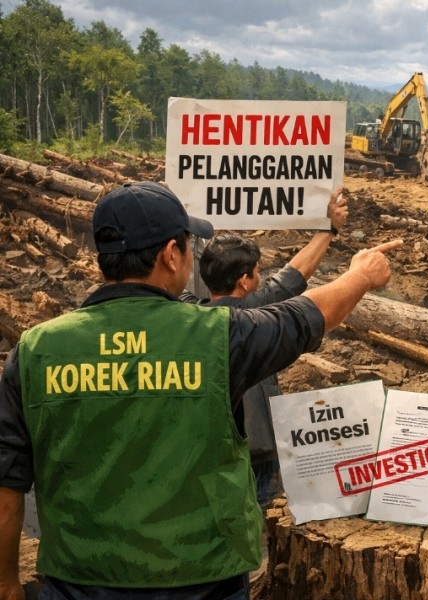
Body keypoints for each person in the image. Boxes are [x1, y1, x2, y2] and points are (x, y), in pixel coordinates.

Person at [0, 181, 401, 599]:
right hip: (202, 582)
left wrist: (6, 582)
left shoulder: (36, 350)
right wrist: (360, 276)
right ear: (171, 255)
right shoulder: (219, 336)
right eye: (188, 245)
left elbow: (7, 483)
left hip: (77, 584)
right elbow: (308, 316)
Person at [180, 187, 348, 509]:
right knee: (260, 519)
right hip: (257, 449)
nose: (261, 277)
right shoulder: (257, 312)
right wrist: (330, 229)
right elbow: (298, 273)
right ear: (244, 281)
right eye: (257, 272)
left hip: (204, 451)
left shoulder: (188, 312)